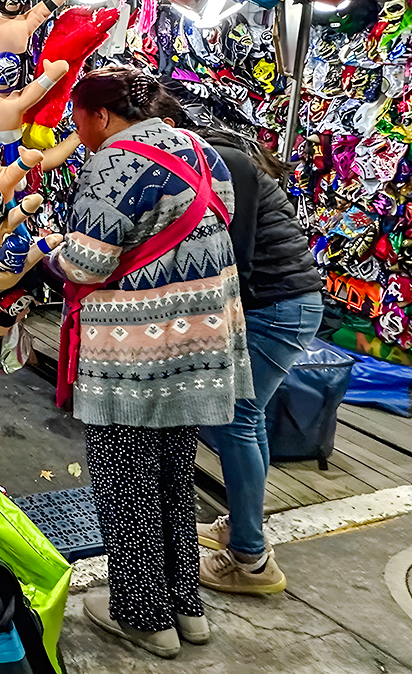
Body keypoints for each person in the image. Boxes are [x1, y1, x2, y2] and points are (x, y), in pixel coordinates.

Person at [50, 67, 252, 659]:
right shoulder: (200, 148)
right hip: (201, 337)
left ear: (102, 116)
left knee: (126, 483)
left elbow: (86, 261)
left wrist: (42, 256)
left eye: (78, 119)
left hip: (137, 351)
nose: (77, 131)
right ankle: (187, 609)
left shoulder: (114, 161)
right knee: (171, 480)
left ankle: (144, 617)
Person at [151, 92, 325, 596]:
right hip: (277, 302)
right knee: (246, 420)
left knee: (232, 421)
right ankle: (240, 528)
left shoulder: (222, 159)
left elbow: (237, 253)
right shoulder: (211, 155)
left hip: (274, 305)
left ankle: (251, 559)